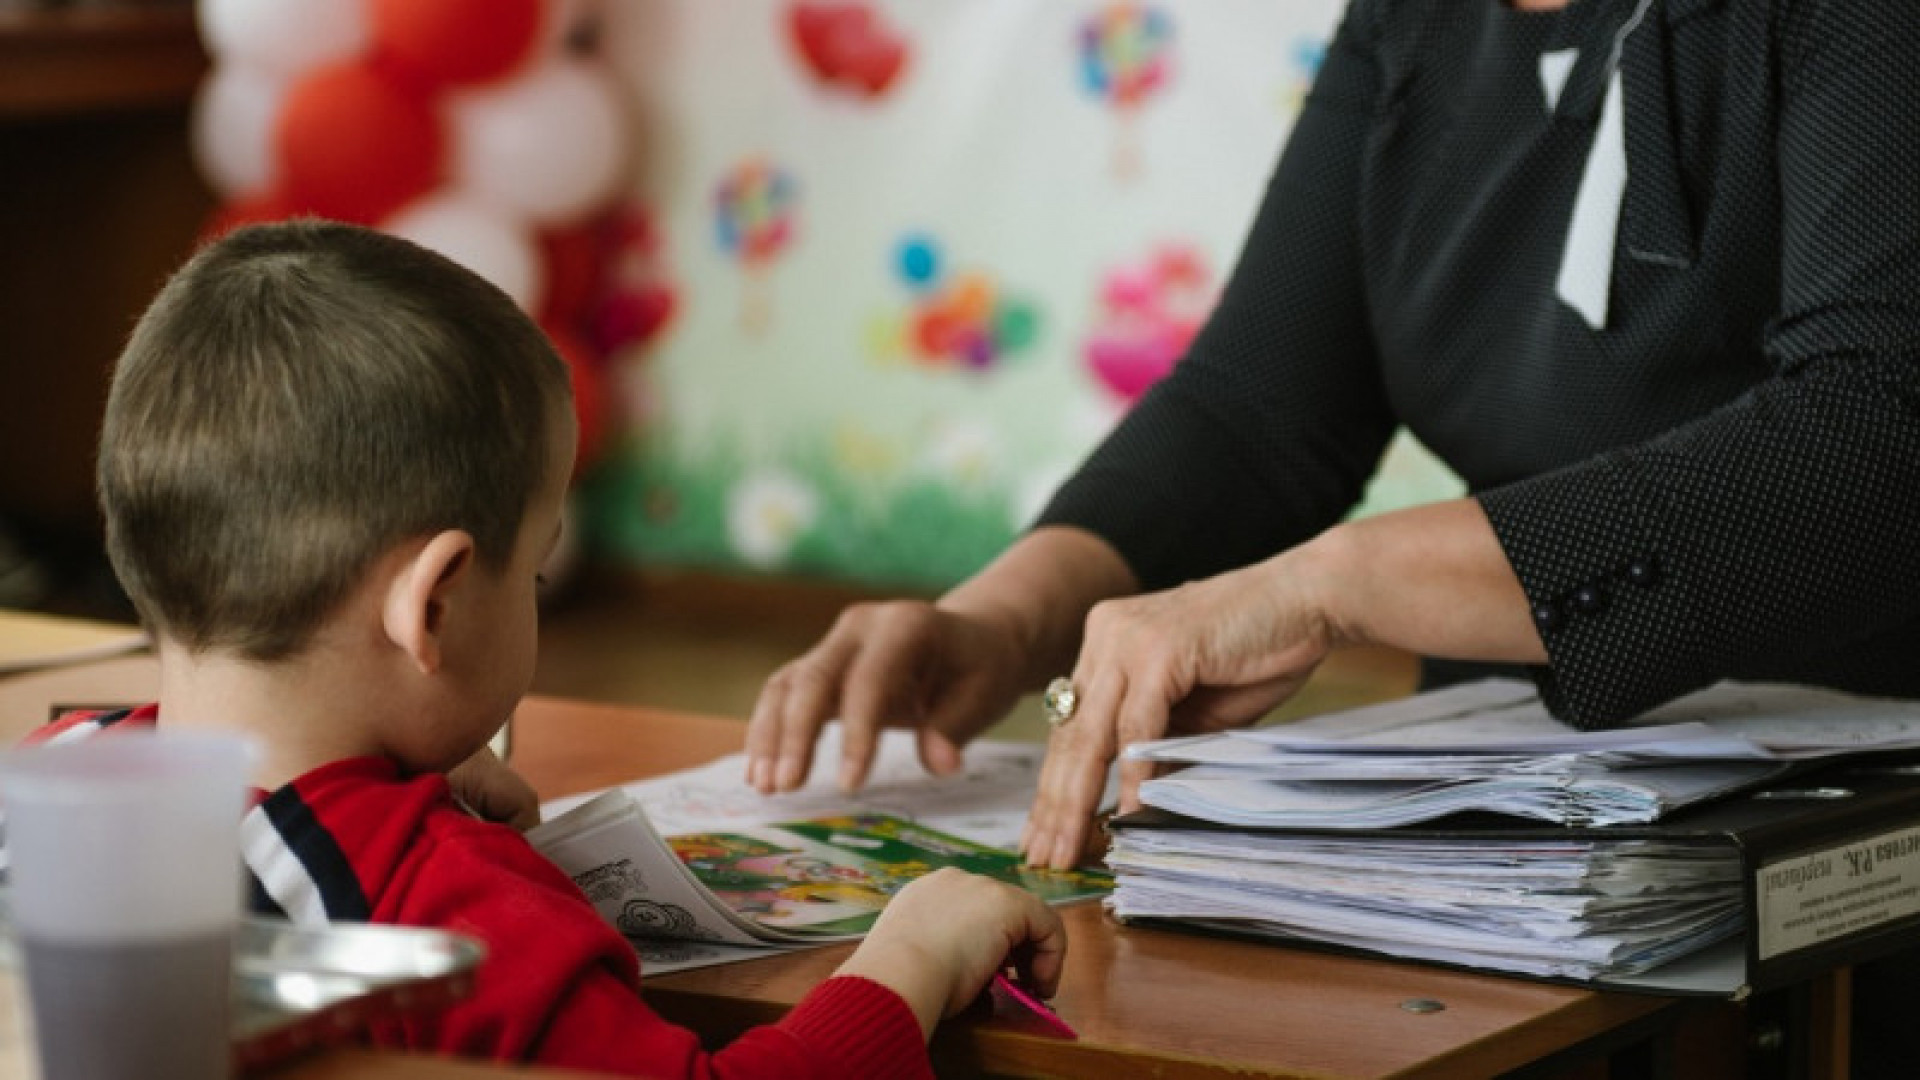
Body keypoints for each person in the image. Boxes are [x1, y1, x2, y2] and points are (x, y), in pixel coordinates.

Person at [746, 1, 1920, 1070]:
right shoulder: (1414, 23)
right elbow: (1260, 408)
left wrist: (1339, 581)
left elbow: (1882, 425)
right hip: (1525, 815)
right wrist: (1002, 620)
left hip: (1856, 809)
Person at [35, 219, 1065, 1078]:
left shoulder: (53, 781)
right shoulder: (452, 908)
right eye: (531, 574)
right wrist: (914, 955)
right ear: (432, 607)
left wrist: (396, 780)